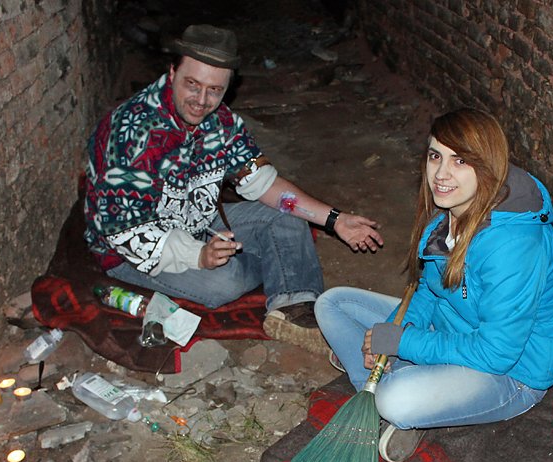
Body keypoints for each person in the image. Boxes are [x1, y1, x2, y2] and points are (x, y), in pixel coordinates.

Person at [83, 24, 383, 354]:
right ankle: (275, 266)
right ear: (172, 73)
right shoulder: (131, 131)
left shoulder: (221, 122)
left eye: (214, 90)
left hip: (197, 223)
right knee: (227, 281)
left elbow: (264, 184)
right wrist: (198, 255)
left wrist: (334, 219)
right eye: (192, 85)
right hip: (135, 249)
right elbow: (125, 232)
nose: (201, 100)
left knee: (287, 215)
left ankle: (295, 311)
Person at [315, 108, 553, 462]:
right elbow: (428, 292)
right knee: (332, 304)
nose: (441, 174)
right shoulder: (448, 216)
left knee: (396, 400)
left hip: (512, 374)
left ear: (487, 166)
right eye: (436, 156)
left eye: (460, 161)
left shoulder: (514, 246)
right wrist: (394, 329)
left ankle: (399, 391)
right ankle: (407, 385)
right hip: (455, 329)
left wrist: (403, 341)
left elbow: (497, 353)